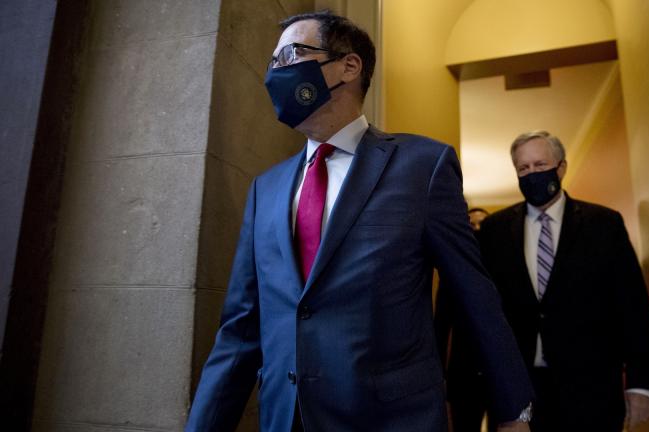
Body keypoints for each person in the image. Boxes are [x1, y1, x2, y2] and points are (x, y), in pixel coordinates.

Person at [185, 11, 533, 432]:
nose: (276, 71)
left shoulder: (423, 165)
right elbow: (240, 331)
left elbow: (474, 297)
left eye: (291, 54)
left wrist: (514, 409)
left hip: (389, 418)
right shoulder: (266, 188)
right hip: (286, 417)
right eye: (272, 61)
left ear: (349, 67)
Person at [477, 131, 649, 431]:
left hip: (592, 388)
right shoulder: (494, 230)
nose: (532, 173)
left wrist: (641, 383)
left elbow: (632, 305)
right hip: (522, 391)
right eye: (523, 168)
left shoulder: (604, 224)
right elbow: (487, 311)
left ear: (561, 167)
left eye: (540, 164)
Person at [434, 207, 495, 432]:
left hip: (498, 373)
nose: (477, 230)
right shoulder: (453, 273)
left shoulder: (506, 269)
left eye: (483, 225)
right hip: (463, 374)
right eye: (473, 225)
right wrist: (438, 374)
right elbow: (441, 324)